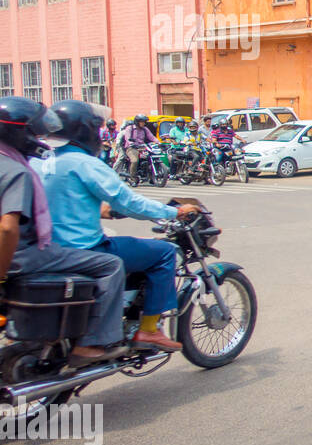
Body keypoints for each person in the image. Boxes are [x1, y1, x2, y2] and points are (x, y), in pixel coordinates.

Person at [37, 100, 200, 352]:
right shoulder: (85, 163)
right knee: (164, 253)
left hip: (50, 250)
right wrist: (174, 211)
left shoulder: (41, 161)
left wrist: (100, 210)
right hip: (87, 250)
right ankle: (148, 330)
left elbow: (60, 201)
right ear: (85, 130)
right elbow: (128, 202)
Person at [0, 97, 127, 368]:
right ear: (18, 132)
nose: (40, 138)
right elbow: (8, 228)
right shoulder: (16, 171)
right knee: (112, 265)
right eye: (35, 132)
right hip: (22, 256)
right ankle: (93, 342)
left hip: (16, 252)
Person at [123, 115, 160, 181]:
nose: (143, 123)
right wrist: (131, 144)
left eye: (144, 122)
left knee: (151, 158)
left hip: (143, 147)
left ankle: (151, 177)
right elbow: (127, 138)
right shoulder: (130, 128)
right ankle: (133, 178)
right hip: (132, 148)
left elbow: (151, 137)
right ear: (137, 122)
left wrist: (158, 142)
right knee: (135, 160)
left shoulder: (145, 129)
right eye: (142, 122)